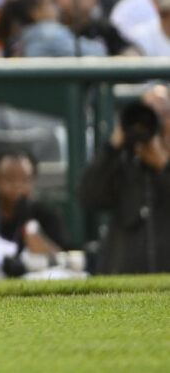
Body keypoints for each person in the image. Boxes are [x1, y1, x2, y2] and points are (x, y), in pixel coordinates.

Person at [79, 85, 170, 274]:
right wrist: (113, 146)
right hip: (123, 280)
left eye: (162, 112)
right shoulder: (122, 163)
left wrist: (163, 166)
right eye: (147, 112)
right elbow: (88, 196)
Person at [0, 150, 71, 279]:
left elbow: (61, 260)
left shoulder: (47, 215)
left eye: (25, 179)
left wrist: (30, 227)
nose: (17, 186)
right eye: (9, 178)